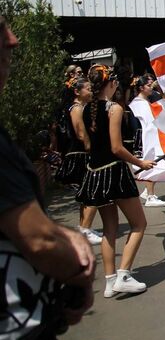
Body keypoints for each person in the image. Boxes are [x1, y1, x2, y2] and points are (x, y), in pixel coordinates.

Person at [0, 16, 95, 340]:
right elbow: (37, 240)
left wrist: (66, 233)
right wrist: (77, 273)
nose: (13, 39)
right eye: (1, 28)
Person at [77, 65, 155, 298]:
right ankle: (123, 275)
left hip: (95, 173)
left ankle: (110, 282)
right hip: (115, 173)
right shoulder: (114, 109)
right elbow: (116, 147)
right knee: (139, 224)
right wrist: (141, 163)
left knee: (109, 229)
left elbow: (89, 144)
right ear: (111, 83)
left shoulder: (83, 109)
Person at [54, 77, 102, 243]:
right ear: (77, 91)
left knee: (87, 192)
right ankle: (85, 229)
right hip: (80, 153)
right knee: (93, 191)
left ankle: (84, 227)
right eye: (88, 89)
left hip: (81, 152)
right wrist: (92, 149)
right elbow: (81, 133)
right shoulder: (76, 108)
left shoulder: (81, 107)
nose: (91, 91)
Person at [128, 75, 165, 207]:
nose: (152, 87)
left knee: (156, 163)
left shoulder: (146, 101)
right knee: (151, 164)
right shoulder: (138, 103)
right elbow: (143, 125)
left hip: (150, 137)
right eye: (149, 85)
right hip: (144, 139)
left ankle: (147, 191)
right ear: (141, 88)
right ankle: (150, 196)